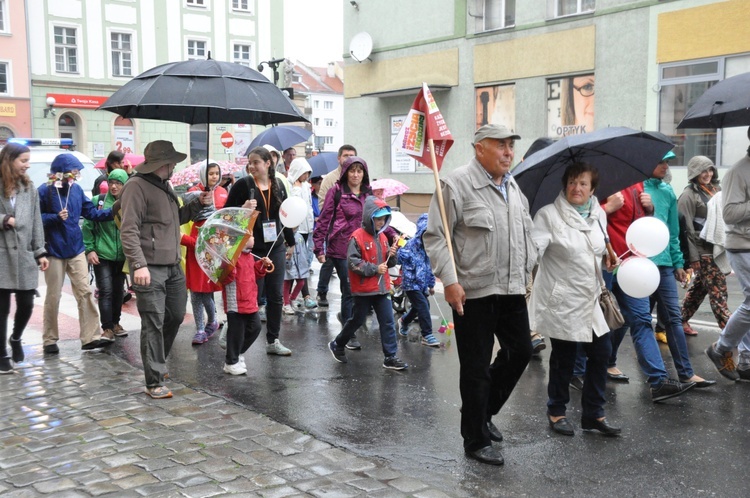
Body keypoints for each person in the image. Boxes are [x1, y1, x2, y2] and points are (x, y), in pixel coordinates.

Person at [424, 124, 538, 466]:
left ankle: (484, 410)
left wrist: (528, 269)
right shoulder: (456, 183)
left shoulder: (514, 187)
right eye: (500, 145)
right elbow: (435, 237)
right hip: (472, 291)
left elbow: (527, 233)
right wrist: (449, 279)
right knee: (475, 367)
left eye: (510, 146)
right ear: (479, 149)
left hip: (511, 289)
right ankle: (475, 438)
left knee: (521, 351)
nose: (508, 152)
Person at [530, 163, 621, 437]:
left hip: (591, 297)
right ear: (564, 185)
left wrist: (608, 257)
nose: (576, 188)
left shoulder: (598, 215)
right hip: (563, 299)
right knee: (564, 358)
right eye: (571, 182)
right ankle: (557, 411)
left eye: (582, 183)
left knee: (602, 353)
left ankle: (594, 414)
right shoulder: (548, 215)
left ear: (593, 189)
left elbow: (596, 249)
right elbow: (533, 251)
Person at [119, 140, 211, 399]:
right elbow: (129, 230)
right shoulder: (136, 187)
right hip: (150, 268)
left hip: (172, 267)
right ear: (162, 163)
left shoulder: (165, 186)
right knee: (153, 322)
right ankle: (154, 379)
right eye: (172, 162)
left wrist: (197, 204)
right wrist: (138, 264)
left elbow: (173, 221)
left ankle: (158, 360)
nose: (174, 166)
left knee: (175, 315)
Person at [644, 153, 716, 388]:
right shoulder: (635, 189)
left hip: (664, 263)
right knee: (634, 320)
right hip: (640, 264)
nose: (666, 166)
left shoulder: (666, 191)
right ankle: (609, 363)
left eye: (668, 162)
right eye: (661, 161)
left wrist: (678, 263)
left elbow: (673, 233)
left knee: (674, 318)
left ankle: (686, 373)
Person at [225, 146, 296, 356]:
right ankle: (231, 332)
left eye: (256, 162)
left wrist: (290, 243)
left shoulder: (278, 185)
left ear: (268, 163)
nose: (252, 166)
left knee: (276, 296)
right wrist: (243, 209)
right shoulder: (242, 185)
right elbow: (226, 215)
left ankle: (273, 340)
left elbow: (285, 216)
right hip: (250, 249)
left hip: (275, 246)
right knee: (247, 295)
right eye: (250, 162)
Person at [39, 154, 113, 353]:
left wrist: (114, 210)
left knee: (85, 292)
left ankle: (90, 337)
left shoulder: (77, 190)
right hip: (53, 249)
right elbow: (36, 218)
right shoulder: (45, 191)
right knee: (53, 296)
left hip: (75, 248)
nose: (78, 175)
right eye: (75, 171)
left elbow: (91, 213)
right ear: (62, 172)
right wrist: (54, 217)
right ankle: (49, 340)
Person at [328, 196, 407, 369]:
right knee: (357, 320)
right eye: (378, 219)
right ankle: (338, 343)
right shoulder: (356, 237)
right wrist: (374, 269)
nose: (381, 222)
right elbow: (353, 263)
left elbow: (389, 263)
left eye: (384, 219)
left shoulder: (383, 238)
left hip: (382, 289)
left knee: (387, 322)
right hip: (363, 290)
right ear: (369, 217)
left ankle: (390, 357)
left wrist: (392, 254)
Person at [313, 155, 373, 350]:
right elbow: (324, 219)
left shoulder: (368, 194)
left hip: (363, 248)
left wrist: (392, 236)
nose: (355, 174)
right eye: (352, 171)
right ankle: (349, 333)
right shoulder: (336, 192)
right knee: (349, 289)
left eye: (359, 171)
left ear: (364, 173)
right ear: (346, 173)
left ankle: (348, 320)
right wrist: (318, 247)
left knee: (359, 291)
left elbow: (375, 219)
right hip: (340, 248)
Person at [706, 129, 750, 382]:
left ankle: (745, 358)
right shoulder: (738, 171)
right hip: (743, 244)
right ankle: (721, 349)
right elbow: (730, 213)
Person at [0, 144, 49, 374]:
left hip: (24, 254)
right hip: (1, 254)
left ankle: (16, 338)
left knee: (27, 304)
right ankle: (1, 354)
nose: (27, 164)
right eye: (23, 160)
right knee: (1, 308)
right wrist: (3, 219)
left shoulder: (29, 188)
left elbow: (36, 221)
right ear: (9, 160)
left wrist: (40, 251)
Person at [677, 155, 730, 334]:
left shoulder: (717, 190)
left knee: (699, 289)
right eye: (702, 170)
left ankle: (678, 321)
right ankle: (732, 336)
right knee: (719, 293)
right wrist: (692, 257)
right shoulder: (688, 195)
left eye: (709, 169)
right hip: (703, 251)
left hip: (716, 247)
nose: (707, 174)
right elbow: (687, 230)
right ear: (694, 172)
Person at [181, 162, 227, 345]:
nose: (214, 177)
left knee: (206, 291)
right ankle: (200, 328)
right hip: (196, 238)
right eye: (210, 174)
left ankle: (212, 320)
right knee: (195, 291)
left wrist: (182, 238)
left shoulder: (223, 192)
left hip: (213, 243)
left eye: (217, 173)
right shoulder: (195, 192)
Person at [82, 169, 129, 341]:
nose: (114, 186)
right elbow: (87, 227)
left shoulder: (130, 202)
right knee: (106, 290)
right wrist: (90, 249)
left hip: (122, 256)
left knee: (118, 292)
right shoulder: (98, 201)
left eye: (118, 183)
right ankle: (107, 328)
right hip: (102, 255)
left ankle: (116, 324)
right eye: (111, 182)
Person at [222, 235, 272, 375]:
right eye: (249, 236)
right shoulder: (231, 255)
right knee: (236, 331)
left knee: (255, 327)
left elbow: (254, 273)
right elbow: (224, 277)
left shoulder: (249, 255)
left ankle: (237, 353)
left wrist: (262, 265)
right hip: (236, 300)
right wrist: (230, 270)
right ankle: (231, 361)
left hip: (249, 298)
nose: (253, 238)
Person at [315, 144, 357, 307]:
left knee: (350, 268)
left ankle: (354, 301)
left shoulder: (357, 177)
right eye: (345, 155)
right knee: (329, 260)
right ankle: (322, 290)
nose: (348, 158)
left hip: (353, 232)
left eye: (351, 155)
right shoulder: (330, 179)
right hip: (334, 229)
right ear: (339, 158)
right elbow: (322, 204)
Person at [396, 213, 440, 348]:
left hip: (422, 284)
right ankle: (427, 335)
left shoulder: (429, 248)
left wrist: (431, 284)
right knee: (423, 306)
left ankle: (404, 320)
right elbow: (398, 259)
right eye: (425, 233)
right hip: (410, 283)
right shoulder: (410, 245)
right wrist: (399, 248)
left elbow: (430, 267)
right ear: (420, 231)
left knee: (417, 307)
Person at [286, 157, 316, 309]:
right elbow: (293, 205)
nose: (306, 176)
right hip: (294, 230)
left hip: (306, 229)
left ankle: (299, 296)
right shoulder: (290, 185)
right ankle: (290, 298)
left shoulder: (306, 186)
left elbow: (308, 207)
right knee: (292, 266)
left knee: (303, 264)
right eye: (304, 173)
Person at [282, 229, 311, 314]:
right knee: (287, 283)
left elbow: (304, 250)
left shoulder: (299, 236)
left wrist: (305, 261)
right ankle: (286, 303)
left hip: (299, 264)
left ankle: (292, 299)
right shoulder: (284, 236)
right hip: (289, 263)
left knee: (301, 282)